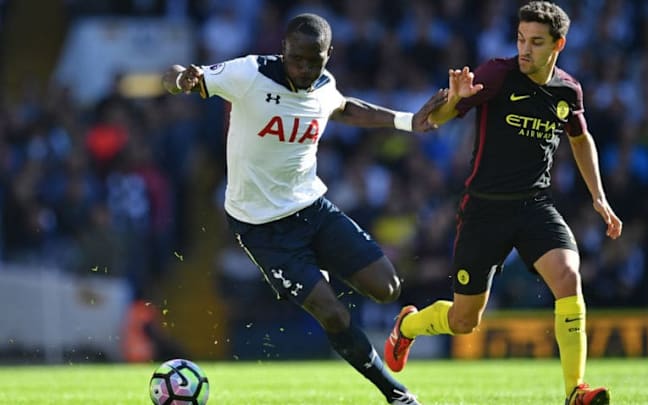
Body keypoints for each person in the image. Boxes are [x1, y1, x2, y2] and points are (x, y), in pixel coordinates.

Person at [162, 13, 446, 405]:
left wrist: (408, 122)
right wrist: (181, 80)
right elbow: (175, 75)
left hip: (311, 208)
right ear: (283, 51)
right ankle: (396, 395)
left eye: (316, 61)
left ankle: (403, 329)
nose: (306, 69)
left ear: (328, 55)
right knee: (332, 313)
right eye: (298, 59)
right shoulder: (249, 73)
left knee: (388, 288)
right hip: (261, 227)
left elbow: (346, 107)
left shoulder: (324, 86)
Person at [384, 2, 622, 405]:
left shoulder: (568, 90)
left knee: (568, 277)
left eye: (536, 42)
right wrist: (453, 101)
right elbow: (437, 121)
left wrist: (598, 197)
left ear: (558, 45)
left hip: (534, 205)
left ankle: (574, 391)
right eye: (520, 39)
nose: (525, 49)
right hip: (484, 210)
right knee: (464, 321)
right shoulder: (498, 72)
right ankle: (408, 327)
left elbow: (580, 138)